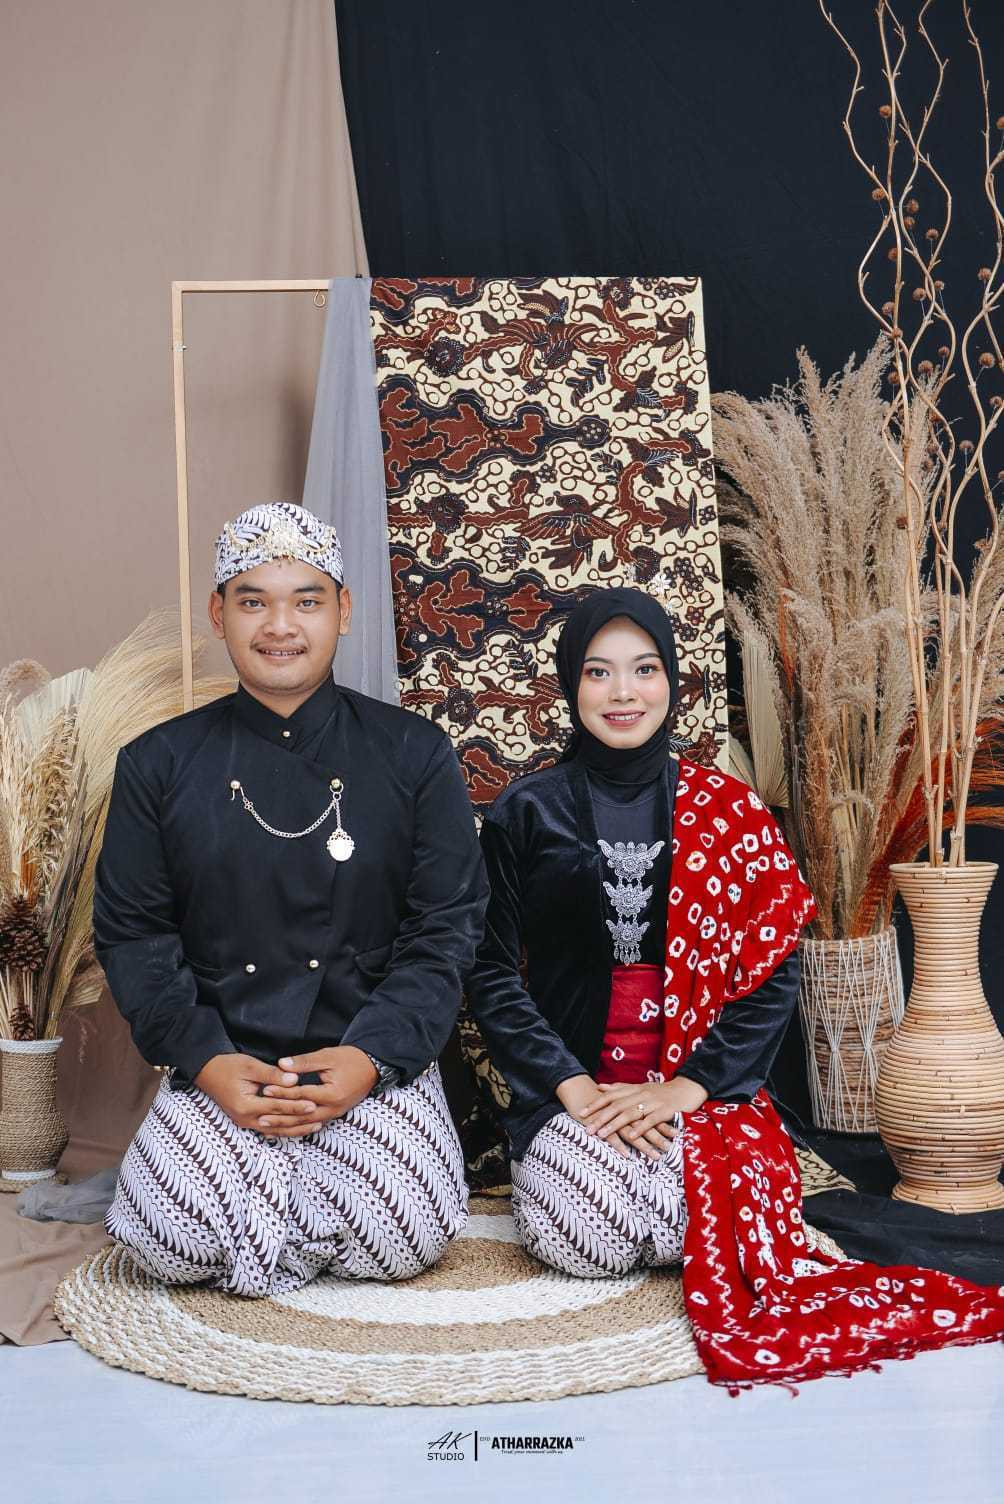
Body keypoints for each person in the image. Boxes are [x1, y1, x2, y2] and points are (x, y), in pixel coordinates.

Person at [467, 586, 1004, 1388]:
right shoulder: (527, 811)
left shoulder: (727, 808)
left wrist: (685, 1088)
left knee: (678, 1215)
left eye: (644, 669)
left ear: (672, 680)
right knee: (586, 1236)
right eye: (599, 672)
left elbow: (773, 972)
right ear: (570, 685)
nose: (622, 692)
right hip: (579, 1094)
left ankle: (673, 1205)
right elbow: (488, 971)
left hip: (701, 1097)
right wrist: (571, 1087)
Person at [95, 501, 488, 1296]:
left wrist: (366, 1061)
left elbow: (445, 929)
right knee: (168, 1239)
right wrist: (209, 1063)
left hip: (366, 1054)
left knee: (405, 1234)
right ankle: (296, 1207)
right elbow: (135, 937)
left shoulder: (414, 754)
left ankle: (258, 1213)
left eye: (306, 601)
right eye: (254, 601)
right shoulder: (156, 764)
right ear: (219, 615)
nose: (280, 626)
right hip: (225, 1057)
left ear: (344, 611)